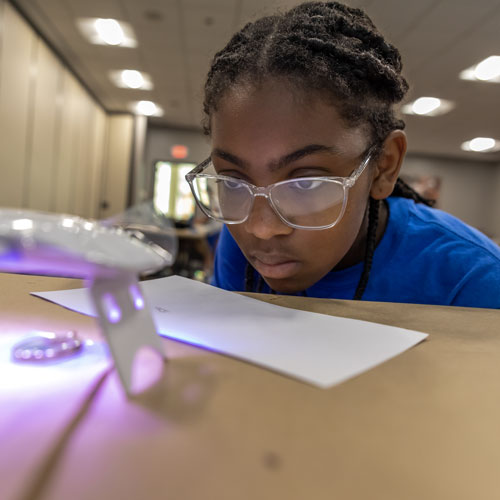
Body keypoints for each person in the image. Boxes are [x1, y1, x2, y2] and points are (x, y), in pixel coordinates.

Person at [186, 1, 500, 308]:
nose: (262, 228)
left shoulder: (474, 281)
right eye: (233, 182)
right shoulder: (238, 243)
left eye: (305, 184)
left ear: (384, 166)